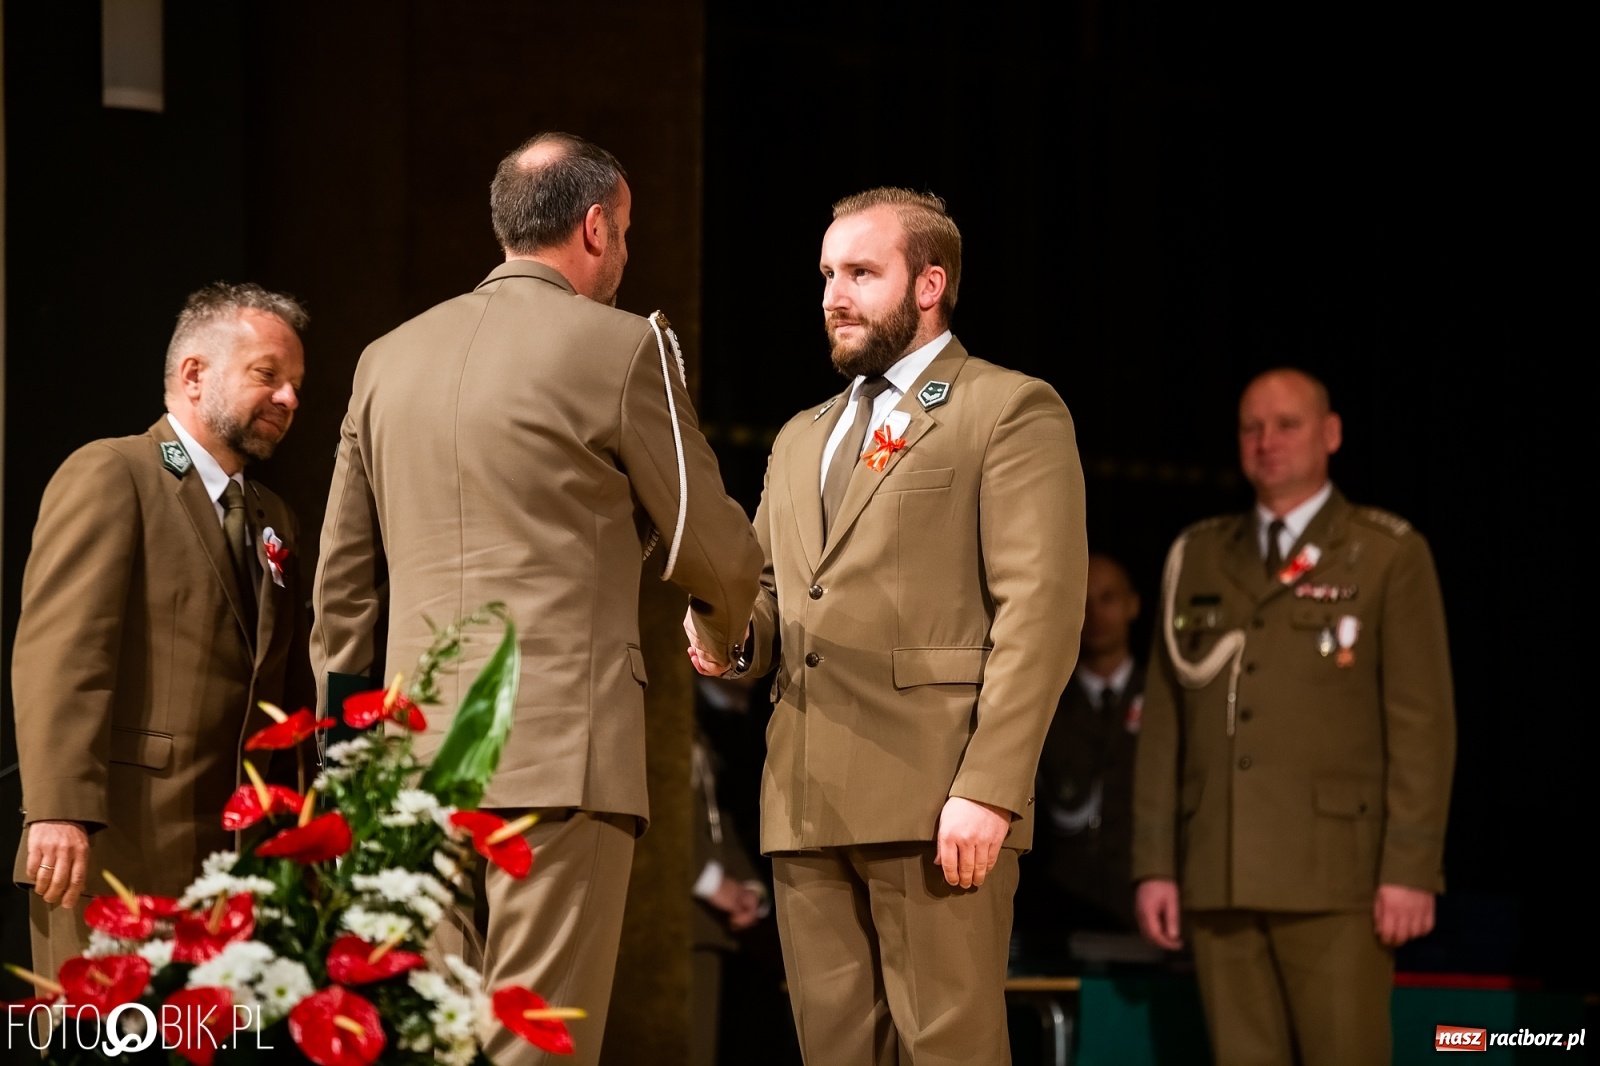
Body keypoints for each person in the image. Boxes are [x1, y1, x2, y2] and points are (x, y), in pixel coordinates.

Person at [311, 132, 762, 1066]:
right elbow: (710, 545)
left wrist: (351, 752)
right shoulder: (624, 346)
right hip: (560, 752)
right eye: (626, 232)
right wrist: (724, 632)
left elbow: (344, 587)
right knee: (532, 1046)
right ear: (594, 227)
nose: (628, 255)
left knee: (435, 1047)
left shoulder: (384, 359)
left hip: (414, 762)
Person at [690, 188, 1087, 1064]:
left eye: (862, 273)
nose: (835, 294)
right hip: (804, 800)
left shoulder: (1006, 409)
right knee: (835, 1052)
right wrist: (727, 631)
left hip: (934, 794)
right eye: (828, 274)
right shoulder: (802, 437)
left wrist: (989, 788)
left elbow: (1043, 614)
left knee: (947, 1051)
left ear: (928, 284)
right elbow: (772, 598)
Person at [1131, 368, 1455, 1066]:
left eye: (1287, 425)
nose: (1266, 442)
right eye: (1251, 428)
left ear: (1331, 434)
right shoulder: (1199, 555)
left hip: (1337, 878)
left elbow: (1423, 727)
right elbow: (1164, 726)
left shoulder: (1386, 553)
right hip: (1219, 870)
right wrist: (1154, 864)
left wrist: (1411, 868)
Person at [11, 282, 310, 976]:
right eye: (269, 375)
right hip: (116, 851)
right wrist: (56, 810)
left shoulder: (274, 518)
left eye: (296, 384)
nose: (290, 399)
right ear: (194, 374)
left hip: (234, 871)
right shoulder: (114, 473)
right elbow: (63, 655)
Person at [1025, 552, 1145, 951]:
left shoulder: (1166, 701)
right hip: (1056, 914)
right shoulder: (1041, 702)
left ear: (1132, 604)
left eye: (1108, 598)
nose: (1095, 615)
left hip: (1146, 908)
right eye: (1082, 600)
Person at [691, 675, 769, 1066]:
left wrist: (748, 886)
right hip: (679, 920)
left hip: (721, 929)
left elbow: (719, 819)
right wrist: (709, 880)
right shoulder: (669, 720)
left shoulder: (714, 729)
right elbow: (670, 820)